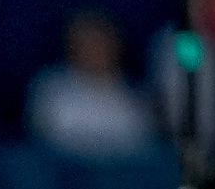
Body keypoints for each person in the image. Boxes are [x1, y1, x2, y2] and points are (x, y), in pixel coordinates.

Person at [29, 11, 160, 162]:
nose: (95, 50)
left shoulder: (135, 99)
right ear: (72, 47)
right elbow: (43, 149)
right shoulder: (50, 92)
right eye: (87, 44)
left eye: (100, 43)